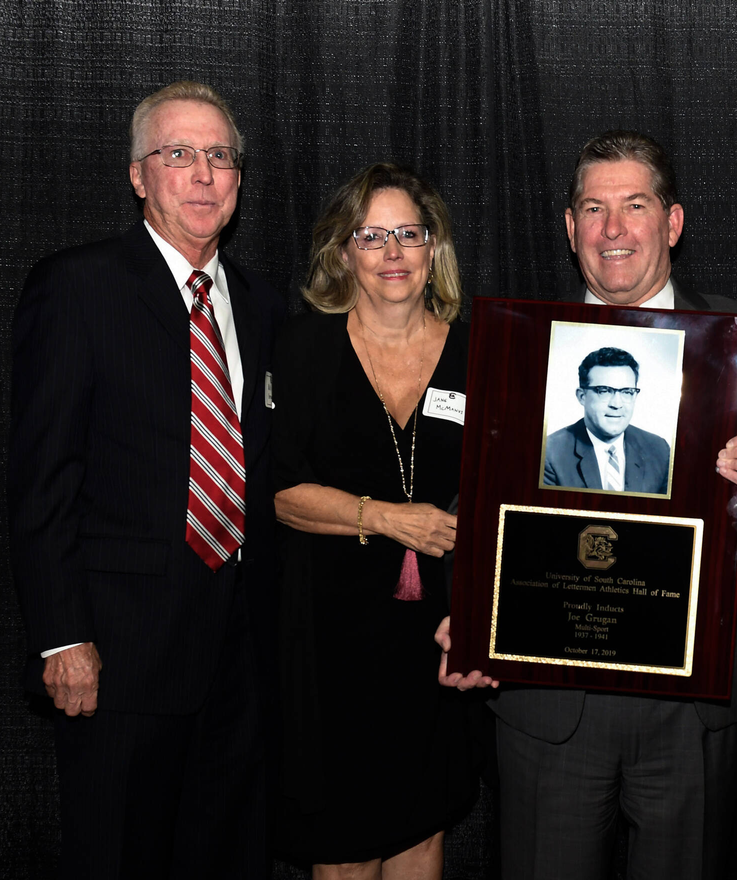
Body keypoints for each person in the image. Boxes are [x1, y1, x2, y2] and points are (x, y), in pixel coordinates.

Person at [471, 130, 737, 879]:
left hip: (696, 702)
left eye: (634, 205)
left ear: (673, 222)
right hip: (551, 698)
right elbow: (482, 506)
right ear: (569, 228)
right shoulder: (518, 351)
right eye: (594, 208)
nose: (613, 229)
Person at [8, 81, 285, 878]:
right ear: (138, 176)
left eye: (219, 156)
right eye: (178, 154)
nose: (202, 173)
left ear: (238, 179)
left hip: (241, 658)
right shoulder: (77, 287)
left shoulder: (265, 306)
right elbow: (41, 478)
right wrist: (63, 637)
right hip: (117, 657)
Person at [272, 163, 477, 879]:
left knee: (423, 830)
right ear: (342, 252)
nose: (393, 253)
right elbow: (281, 495)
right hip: (330, 642)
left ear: (433, 249)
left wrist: (481, 623)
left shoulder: (478, 354)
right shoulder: (302, 348)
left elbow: (502, 502)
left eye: (409, 234)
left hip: (437, 641)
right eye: (372, 235)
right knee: (344, 849)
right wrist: (390, 520)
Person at [543, 346, 672, 493]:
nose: (616, 404)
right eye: (604, 391)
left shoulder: (659, 450)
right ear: (582, 396)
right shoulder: (550, 454)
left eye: (627, 392)